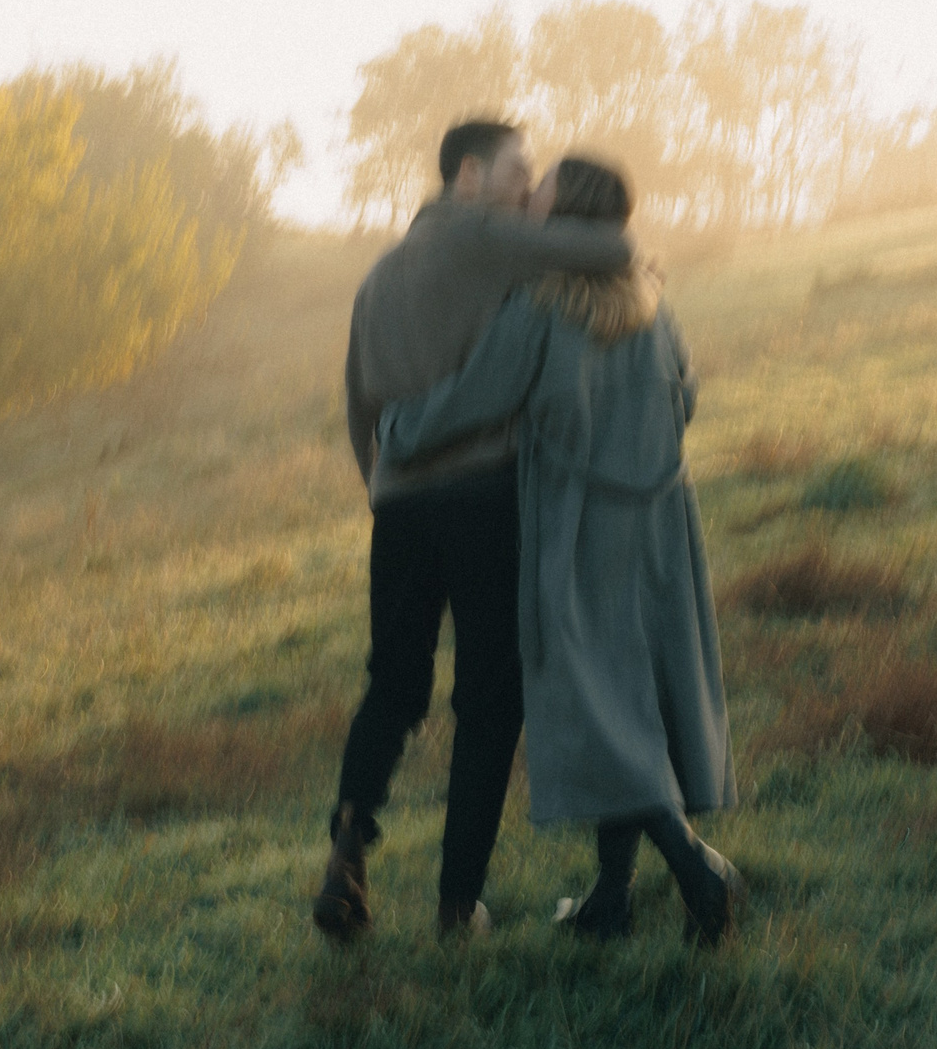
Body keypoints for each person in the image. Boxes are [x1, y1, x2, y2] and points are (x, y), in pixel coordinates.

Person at [375, 156, 746, 945]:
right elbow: (686, 395)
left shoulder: (542, 307)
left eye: (540, 194)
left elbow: (475, 394)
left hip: (581, 529)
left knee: (595, 705)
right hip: (660, 524)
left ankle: (695, 869)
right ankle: (610, 897)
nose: (528, 203)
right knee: (631, 700)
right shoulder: (652, 300)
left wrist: (398, 430)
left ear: (568, 214)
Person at [316, 119, 636, 942]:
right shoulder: (483, 236)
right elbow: (612, 253)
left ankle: (349, 843)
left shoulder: (378, 275)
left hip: (399, 507)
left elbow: (358, 408)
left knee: (392, 684)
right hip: (482, 499)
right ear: (468, 177)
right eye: (517, 170)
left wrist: (386, 489)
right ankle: (459, 905)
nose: (530, 189)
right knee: (490, 701)